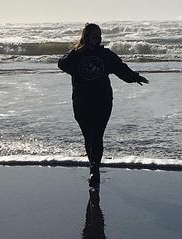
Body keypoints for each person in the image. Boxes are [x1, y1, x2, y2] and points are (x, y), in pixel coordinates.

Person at [58, 23, 148, 189]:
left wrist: (135, 77)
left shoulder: (105, 55)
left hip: (102, 101)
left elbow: (120, 68)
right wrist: (77, 52)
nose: (96, 39)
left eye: (99, 36)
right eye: (93, 36)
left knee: (97, 136)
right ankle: (93, 165)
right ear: (85, 38)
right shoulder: (75, 57)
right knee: (88, 137)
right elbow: (61, 64)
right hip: (81, 102)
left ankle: (95, 170)